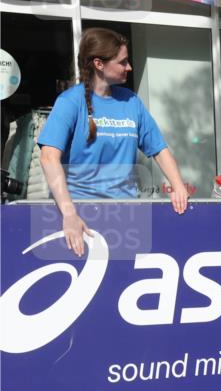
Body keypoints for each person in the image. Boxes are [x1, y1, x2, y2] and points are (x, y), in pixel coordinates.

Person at [38, 28, 189, 256]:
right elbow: (49, 158)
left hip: (126, 216)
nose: (129, 67)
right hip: (80, 219)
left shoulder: (131, 102)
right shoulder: (69, 102)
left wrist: (178, 185)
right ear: (99, 64)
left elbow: (158, 148)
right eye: (123, 62)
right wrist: (69, 214)